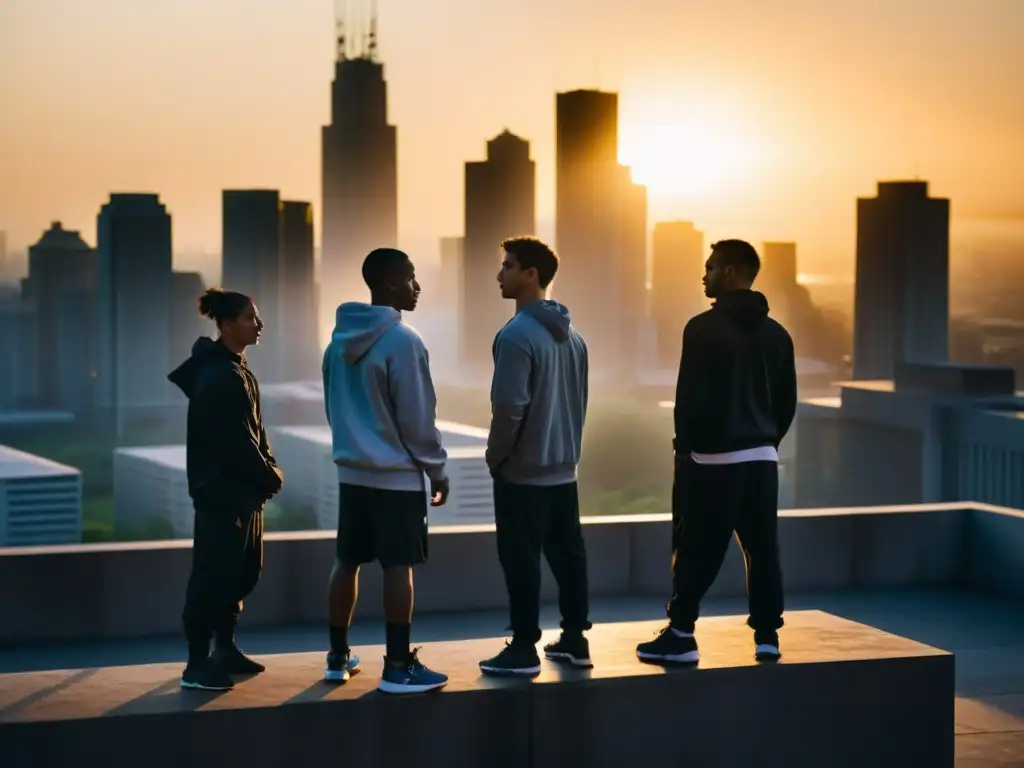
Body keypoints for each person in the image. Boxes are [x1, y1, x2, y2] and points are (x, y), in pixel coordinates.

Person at [636, 239, 797, 666]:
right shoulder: (778, 335)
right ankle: (767, 638)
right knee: (763, 550)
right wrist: (765, 442)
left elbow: (690, 399)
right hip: (762, 460)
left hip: (713, 461)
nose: (703, 276)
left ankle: (681, 633)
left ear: (728, 272)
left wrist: (685, 453)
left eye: (709, 268)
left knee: (697, 548)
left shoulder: (702, 328)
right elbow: (786, 403)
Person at [321, 247, 450, 694]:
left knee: (347, 562)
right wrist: (438, 470)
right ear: (391, 283)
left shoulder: (336, 344)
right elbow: (418, 419)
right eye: (411, 278)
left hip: (351, 475)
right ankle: (398, 665)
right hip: (395, 478)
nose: (417, 287)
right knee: (399, 566)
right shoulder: (404, 341)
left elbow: (331, 407)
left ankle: (338, 657)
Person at [479, 236, 592, 677]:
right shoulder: (575, 337)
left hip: (523, 471)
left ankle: (524, 647)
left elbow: (509, 407)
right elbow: (580, 401)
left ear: (531, 275)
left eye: (508, 266)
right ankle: (575, 640)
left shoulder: (515, 335)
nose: (499, 274)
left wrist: (496, 457)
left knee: (520, 557)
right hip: (564, 468)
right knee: (569, 555)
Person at [168, 288, 283, 691]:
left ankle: (225, 648)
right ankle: (197, 662)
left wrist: (265, 470)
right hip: (222, 496)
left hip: (242, 494)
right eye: (251, 318)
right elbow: (234, 442)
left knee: (242, 571)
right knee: (212, 576)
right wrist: (268, 475)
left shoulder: (235, 367)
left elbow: (255, 432)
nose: (259, 324)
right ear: (227, 324)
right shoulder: (218, 375)